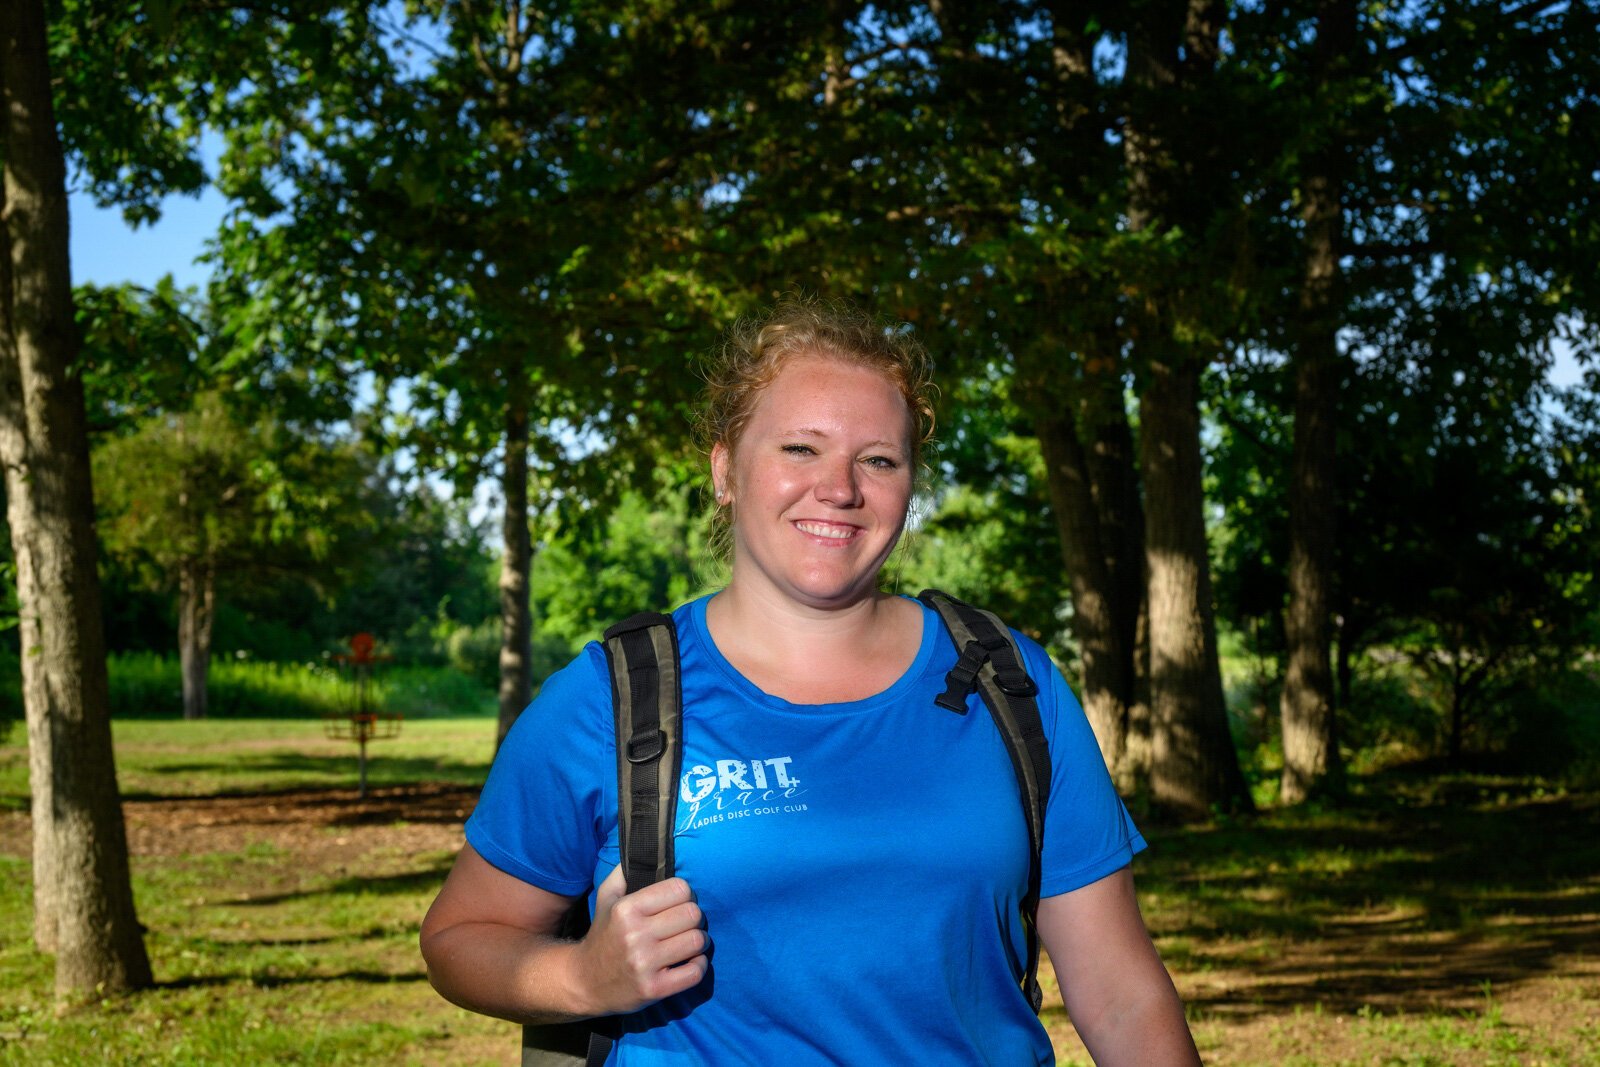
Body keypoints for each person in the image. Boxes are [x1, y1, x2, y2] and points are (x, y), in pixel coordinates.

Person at [420, 298, 1202, 1065]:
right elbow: (460, 937)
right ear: (725, 470)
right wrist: (581, 977)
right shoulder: (611, 701)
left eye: (878, 458)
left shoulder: (1010, 683)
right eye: (801, 448)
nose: (840, 487)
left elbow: (1121, 995)